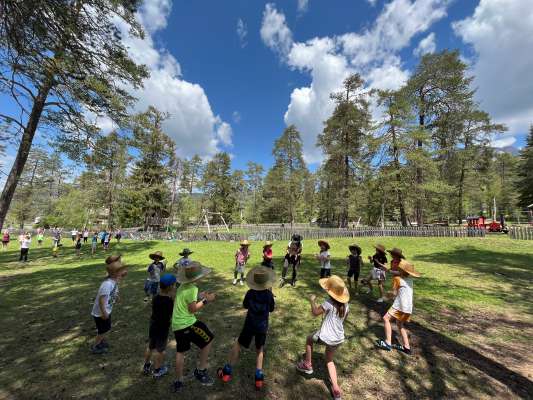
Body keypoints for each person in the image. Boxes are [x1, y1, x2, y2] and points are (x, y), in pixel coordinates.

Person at [218, 266, 276, 389]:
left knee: (238, 344)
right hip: (262, 326)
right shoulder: (269, 295)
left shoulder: (250, 293)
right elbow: (271, 309)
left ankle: (227, 372)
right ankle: (258, 378)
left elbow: (245, 305)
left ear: (254, 282)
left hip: (249, 324)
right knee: (259, 349)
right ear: (266, 282)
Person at [296, 275, 350, 400]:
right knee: (329, 360)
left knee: (309, 339)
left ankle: (307, 365)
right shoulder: (347, 306)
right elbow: (343, 320)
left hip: (326, 336)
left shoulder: (328, 303)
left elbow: (315, 313)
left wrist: (312, 301)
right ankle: (336, 389)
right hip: (338, 337)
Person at [172, 261, 216, 392]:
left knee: (181, 352)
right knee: (208, 339)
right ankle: (200, 371)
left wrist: (199, 295)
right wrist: (207, 300)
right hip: (187, 324)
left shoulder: (182, 285)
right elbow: (192, 309)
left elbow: (186, 298)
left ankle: (178, 381)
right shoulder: (192, 288)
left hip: (177, 324)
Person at [375, 260, 420, 355]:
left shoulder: (397, 279)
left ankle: (388, 343)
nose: (397, 269)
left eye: (399, 268)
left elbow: (393, 294)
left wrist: (386, 295)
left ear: (401, 271)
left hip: (400, 306)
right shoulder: (410, 280)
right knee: (400, 325)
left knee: (386, 318)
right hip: (408, 308)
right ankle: (407, 347)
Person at [90, 255, 128, 354]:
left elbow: (114, 292)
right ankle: (96, 346)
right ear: (115, 274)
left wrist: (117, 297)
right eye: (121, 272)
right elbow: (101, 300)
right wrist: (104, 313)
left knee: (104, 328)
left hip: (106, 310)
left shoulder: (114, 282)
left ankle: (100, 341)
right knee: (104, 330)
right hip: (101, 313)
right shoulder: (107, 284)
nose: (123, 274)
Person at [142, 273, 176, 379]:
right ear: (170, 287)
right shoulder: (169, 301)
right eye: (174, 285)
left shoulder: (156, 297)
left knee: (151, 346)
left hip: (153, 325)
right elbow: (172, 313)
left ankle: (146, 365)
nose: (175, 287)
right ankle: (157, 371)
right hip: (162, 328)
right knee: (160, 350)